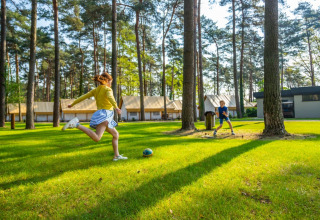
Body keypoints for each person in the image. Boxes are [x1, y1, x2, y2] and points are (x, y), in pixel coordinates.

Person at [62, 72, 128, 161]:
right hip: (105, 115)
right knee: (97, 138)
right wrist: (116, 107)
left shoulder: (96, 90)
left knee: (115, 134)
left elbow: (83, 97)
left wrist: (72, 104)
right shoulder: (108, 89)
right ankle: (76, 124)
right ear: (108, 80)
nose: (111, 83)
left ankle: (116, 156)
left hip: (102, 114)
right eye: (111, 81)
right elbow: (111, 98)